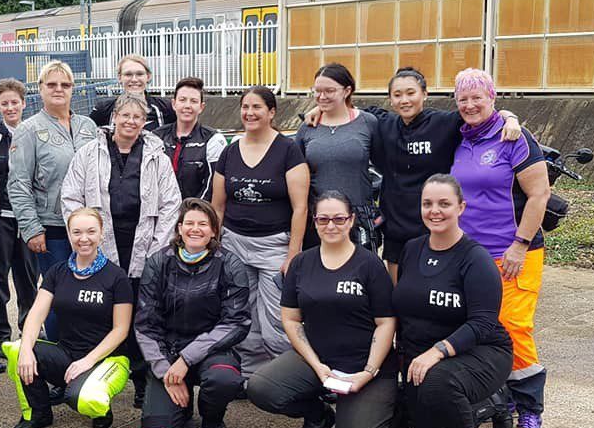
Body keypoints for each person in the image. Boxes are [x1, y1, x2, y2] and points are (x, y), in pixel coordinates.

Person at [305, 67, 520, 281]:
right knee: (398, 294)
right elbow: (343, 109)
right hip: (396, 225)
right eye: (397, 95)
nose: (404, 100)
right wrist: (319, 110)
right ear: (390, 99)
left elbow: (480, 112)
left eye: (411, 93)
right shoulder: (381, 122)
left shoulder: (445, 123)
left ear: (424, 94)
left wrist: (509, 117)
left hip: (433, 223)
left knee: (432, 289)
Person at [247, 192, 397, 428]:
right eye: (323, 219)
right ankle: (318, 416)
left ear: (351, 221)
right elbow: (291, 320)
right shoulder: (302, 263)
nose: (331, 226)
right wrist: (316, 366)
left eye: (339, 219)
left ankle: (394, 412)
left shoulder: (370, 265)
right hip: (319, 361)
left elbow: (386, 323)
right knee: (260, 388)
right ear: (314, 222)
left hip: (365, 366)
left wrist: (368, 371)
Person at [448, 67, 551, 428]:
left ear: (493, 97)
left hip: (512, 252)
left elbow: (539, 194)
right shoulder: (457, 139)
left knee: (512, 328)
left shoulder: (514, 136)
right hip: (468, 254)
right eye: (463, 99)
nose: (471, 104)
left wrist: (520, 244)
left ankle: (529, 410)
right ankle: (498, 399)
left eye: (479, 97)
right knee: (477, 328)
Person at [393, 175, 513, 428]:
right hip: (426, 357)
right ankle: (488, 406)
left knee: (439, 384)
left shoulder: (476, 260)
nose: (435, 211)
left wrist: (438, 351)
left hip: (481, 351)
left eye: (444, 204)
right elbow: (405, 309)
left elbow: (484, 323)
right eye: (427, 204)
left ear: (461, 207)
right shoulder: (411, 249)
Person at [62, 91, 182, 406]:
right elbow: (72, 198)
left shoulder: (157, 154)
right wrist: (88, 239)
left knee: (144, 316)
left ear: (145, 122)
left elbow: (171, 203)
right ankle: (103, 377)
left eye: (137, 117)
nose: (130, 121)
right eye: (125, 115)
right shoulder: (89, 153)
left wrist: (157, 249)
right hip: (102, 246)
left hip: (146, 245)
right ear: (114, 117)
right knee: (105, 315)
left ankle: (143, 382)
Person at [6, 208, 134, 428]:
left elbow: (121, 329)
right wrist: (26, 350)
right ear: (69, 234)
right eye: (77, 232)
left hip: (107, 360)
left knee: (81, 398)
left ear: (101, 234)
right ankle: (39, 413)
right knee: (18, 350)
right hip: (67, 353)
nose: (84, 238)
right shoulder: (58, 272)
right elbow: (36, 314)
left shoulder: (116, 277)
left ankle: (99, 410)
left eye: (91, 232)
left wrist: (88, 361)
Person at [211, 85, 310, 378]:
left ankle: (289, 375)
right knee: (243, 313)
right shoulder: (230, 152)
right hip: (234, 243)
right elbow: (217, 206)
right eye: (245, 107)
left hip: (274, 246)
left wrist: (293, 254)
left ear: (271, 112)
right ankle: (251, 375)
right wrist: (216, 247)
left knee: (275, 318)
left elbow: (301, 208)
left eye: (257, 107)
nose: (249, 113)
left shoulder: (288, 150)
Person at [135, 198, 249, 428]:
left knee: (224, 380)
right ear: (179, 228)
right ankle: (180, 409)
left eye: (203, 224)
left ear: (214, 231)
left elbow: (237, 322)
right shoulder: (158, 262)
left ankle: (212, 416)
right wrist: (166, 371)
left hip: (213, 351)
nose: (195, 229)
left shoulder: (230, 264)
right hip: (168, 352)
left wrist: (187, 358)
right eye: (189, 223)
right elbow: (145, 325)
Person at [7, 60, 99, 340]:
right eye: (52, 84)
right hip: (52, 228)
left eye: (66, 84)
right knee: (59, 293)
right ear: (40, 89)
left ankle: (86, 347)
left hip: (88, 228)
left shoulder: (88, 126)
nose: (59, 89)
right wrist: (32, 228)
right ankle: (60, 351)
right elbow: (18, 183)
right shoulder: (29, 130)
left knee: (89, 291)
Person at [0, 79, 39, 373]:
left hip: (29, 220)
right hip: (1, 218)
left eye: (15, 102)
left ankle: (29, 332)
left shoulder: (35, 133)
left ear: (24, 103)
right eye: (4, 103)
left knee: (29, 279)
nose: (10, 107)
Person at [294, 64, 378, 249]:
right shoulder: (307, 127)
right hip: (319, 219)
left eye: (329, 91)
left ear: (347, 90)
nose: (322, 97)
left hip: (358, 218)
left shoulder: (367, 123)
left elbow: (385, 166)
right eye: (317, 91)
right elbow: (297, 176)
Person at [154, 77, 227, 201]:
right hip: (161, 214)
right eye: (182, 100)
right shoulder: (156, 136)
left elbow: (212, 186)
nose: (187, 106)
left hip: (196, 214)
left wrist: (191, 212)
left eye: (193, 101)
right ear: (174, 104)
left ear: (201, 107)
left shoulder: (213, 139)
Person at [88, 54, 176, 131]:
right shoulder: (104, 109)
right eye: (128, 74)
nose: (134, 79)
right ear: (119, 77)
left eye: (140, 74)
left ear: (148, 76)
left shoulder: (166, 107)